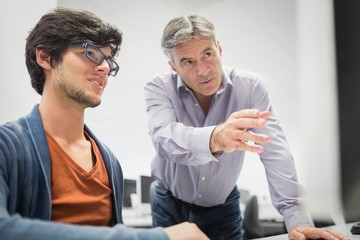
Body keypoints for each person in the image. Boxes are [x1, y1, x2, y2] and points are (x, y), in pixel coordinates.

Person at [0, 8, 209, 240]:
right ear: (45, 57)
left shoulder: (109, 162)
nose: (105, 68)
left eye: (108, 59)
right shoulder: (7, 146)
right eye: (90, 52)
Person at [144, 15, 350, 240]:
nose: (203, 70)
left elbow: (274, 151)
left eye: (207, 54)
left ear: (219, 49)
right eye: (188, 62)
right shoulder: (159, 87)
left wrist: (297, 218)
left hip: (223, 206)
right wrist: (215, 138)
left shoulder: (250, 88)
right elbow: (163, 139)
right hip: (169, 202)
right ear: (173, 67)